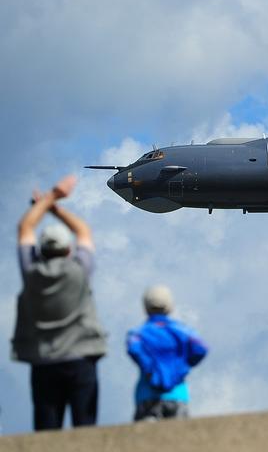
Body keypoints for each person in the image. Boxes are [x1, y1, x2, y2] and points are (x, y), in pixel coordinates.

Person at [11, 175, 107, 431]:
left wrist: (48, 199)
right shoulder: (80, 270)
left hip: (43, 361)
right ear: (69, 250)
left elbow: (25, 229)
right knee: (85, 431)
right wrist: (55, 203)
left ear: (40, 251)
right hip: (81, 359)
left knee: (46, 433)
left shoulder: (31, 273)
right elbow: (83, 231)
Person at [126, 285, 208, 421]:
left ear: (145, 307)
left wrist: (150, 370)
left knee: (146, 440)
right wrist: (181, 368)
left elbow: (133, 348)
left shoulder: (138, 334)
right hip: (177, 394)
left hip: (147, 395)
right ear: (170, 306)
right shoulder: (181, 331)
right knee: (179, 440)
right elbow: (201, 348)